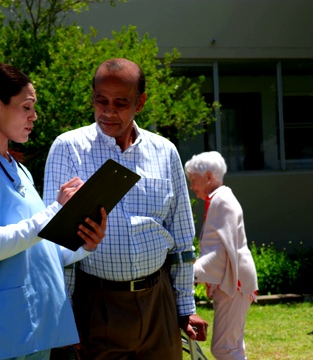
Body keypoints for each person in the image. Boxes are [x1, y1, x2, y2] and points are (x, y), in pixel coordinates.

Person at [0, 63, 107, 360]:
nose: (34, 116)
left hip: (35, 332)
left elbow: (37, 250)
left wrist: (83, 245)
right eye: (27, 107)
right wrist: (54, 210)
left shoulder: (21, 171)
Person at [42, 58, 208, 359]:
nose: (108, 111)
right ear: (92, 96)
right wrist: (63, 318)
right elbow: (57, 246)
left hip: (159, 302)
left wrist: (185, 309)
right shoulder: (68, 148)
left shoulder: (165, 152)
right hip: (96, 302)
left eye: (120, 103)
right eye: (100, 100)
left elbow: (182, 241)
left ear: (140, 103)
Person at [184, 151, 258, 360]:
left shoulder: (221, 200)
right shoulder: (220, 198)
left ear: (209, 176)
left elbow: (222, 251)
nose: (192, 187)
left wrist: (191, 272)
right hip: (236, 279)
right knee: (232, 345)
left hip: (234, 281)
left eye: (194, 180)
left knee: (224, 348)